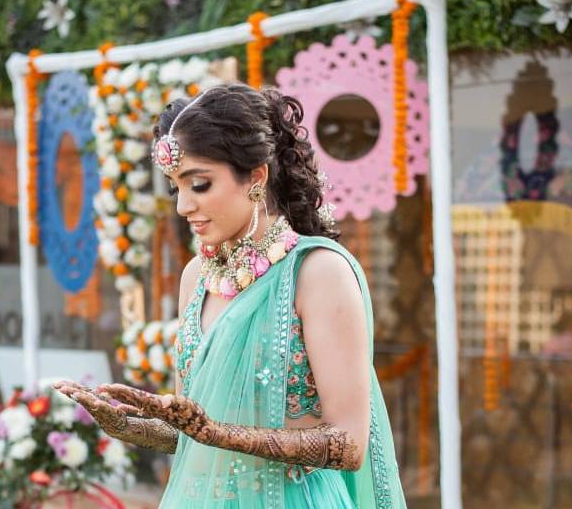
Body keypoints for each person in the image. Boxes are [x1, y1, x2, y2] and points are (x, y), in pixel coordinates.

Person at [55, 84, 406, 508]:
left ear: (256, 177)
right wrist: (134, 426)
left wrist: (218, 435)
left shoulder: (317, 273)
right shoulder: (196, 277)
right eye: (175, 189)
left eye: (199, 184)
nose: (183, 206)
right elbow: (195, 426)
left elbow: (349, 444)